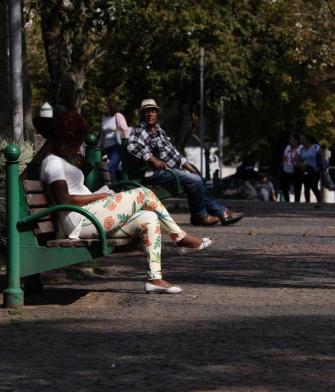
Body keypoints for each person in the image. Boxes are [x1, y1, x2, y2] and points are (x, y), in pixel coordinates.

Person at [40, 111, 213, 294]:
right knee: (143, 194)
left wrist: (99, 193)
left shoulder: (60, 160)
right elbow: (64, 199)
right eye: (76, 143)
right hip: (80, 221)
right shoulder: (53, 163)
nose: (79, 147)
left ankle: (155, 279)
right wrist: (97, 197)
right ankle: (180, 237)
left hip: (88, 216)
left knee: (148, 218)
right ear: (63, 141)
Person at [126, 98, 244, 226]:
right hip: (151, 174)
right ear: (142, 114)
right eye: (147, 111)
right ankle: (204, 215)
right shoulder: (139, 129)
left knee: (196, 178)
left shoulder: (159, 131)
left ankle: (218, 213)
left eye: (153, 111)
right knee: (194, 181)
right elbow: (132, 145)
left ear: (157, 113)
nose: (150, 114)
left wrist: (189, 167)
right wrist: (152, 159)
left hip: (167, 172)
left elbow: (174, 153)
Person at [97, 98, 132, 181]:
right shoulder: (104, 118)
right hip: (106, 148)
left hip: (116, 147)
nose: (104, 107)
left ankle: (115, 188)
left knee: (110, 167)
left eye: (106, 106)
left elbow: (125, 129)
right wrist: (98, 146)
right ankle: (116, 186)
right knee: (106, 169)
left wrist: (126, 143)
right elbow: (102, 135)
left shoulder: (118, 116)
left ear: (111, 106)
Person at [296, 133, 323, 203]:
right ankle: (307, 202)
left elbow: (322, 156)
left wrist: (323, 164)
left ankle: (319, 200)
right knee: (306, 186)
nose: (301, 140)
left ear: (308, 140)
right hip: (305, 169)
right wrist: (300, 164)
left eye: (303, 138)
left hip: (315, 170)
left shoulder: (315, 147)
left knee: (314, 186)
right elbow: (297, 159)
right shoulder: (301, 148)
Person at [280, 134, 302, 202]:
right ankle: (287, 200)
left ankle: (297, 201)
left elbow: (301, 158)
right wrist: (282, 164)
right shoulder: (288, 147)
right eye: (290, 139)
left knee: (297, 187)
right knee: (284, 185)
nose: (290, 141)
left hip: (296, 169)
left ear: (296, 141)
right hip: (287, 168)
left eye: (292, 139)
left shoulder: (301, 147)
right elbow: (284, 156)